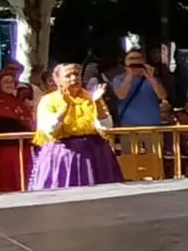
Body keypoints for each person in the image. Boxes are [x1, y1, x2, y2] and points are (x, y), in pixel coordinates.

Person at [29, 62, 125, 190]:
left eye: (77, 74)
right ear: (57, 80)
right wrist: (65, 108)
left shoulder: (91, 97)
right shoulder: (48, 100)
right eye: (68, 75)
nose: (74, 78)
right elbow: (49, 130)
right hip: (63, 152)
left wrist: (96, 103)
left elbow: (106, 127)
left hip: (95, 152)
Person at [0, 64, 34, 192]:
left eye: (12, 82)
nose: (10, 84)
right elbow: (3, 123)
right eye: (6, 82)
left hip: (21, 146)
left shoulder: (16, 100)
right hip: (6, 147)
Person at [110, 48, 168, 128]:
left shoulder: (153, 79)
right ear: (125, 63)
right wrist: (130, 74)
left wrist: (151, 77)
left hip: (152, 127)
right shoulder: (118, 79)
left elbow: (162, 95)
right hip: (129, 127)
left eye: (138, 58)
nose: (135, 61)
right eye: (131, 59)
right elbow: (121, 95)